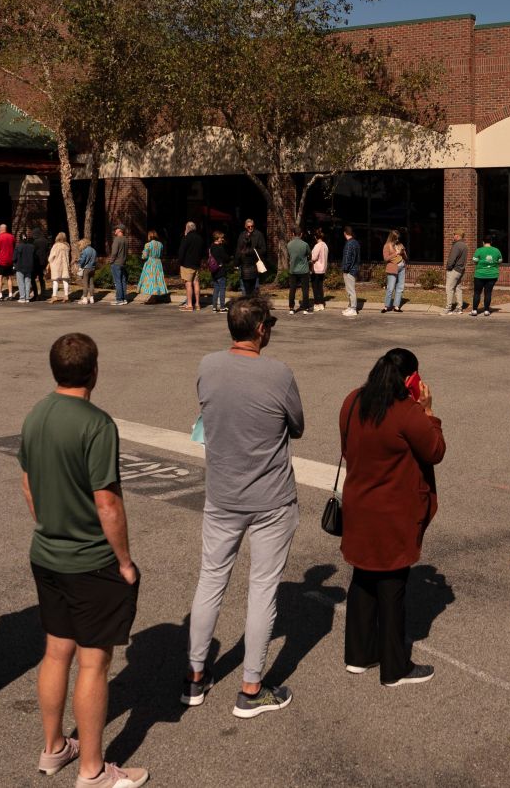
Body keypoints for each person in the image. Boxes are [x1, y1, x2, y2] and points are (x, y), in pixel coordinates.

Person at [18, 334, 146, 788]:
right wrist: (125, 562)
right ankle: (92, 770)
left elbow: (29, 484)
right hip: (90, 561)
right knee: (93, 663)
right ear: (94, 370)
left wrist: (49, 521)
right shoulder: (97, 424)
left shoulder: (36, 414)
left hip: (47, 553)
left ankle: (54, 748)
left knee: (57, 650)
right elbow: (107, 502)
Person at [184, 297, 302, 718]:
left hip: (222, 493)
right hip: (270, 496)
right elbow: (297, 426)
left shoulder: (207, 366)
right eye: (268, 324)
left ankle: (196, 676)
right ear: (259, 330)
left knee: (211, 580)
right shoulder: (278, 373)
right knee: (262, 588)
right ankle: (251, 687)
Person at [338, 348, 446, 686]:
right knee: (392, 584)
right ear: (411, 379)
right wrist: (428, 411)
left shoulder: (353, 401)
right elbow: (435, 451)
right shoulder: (407, 412)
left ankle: (359, 654)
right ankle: (394, 667)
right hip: (393, 511)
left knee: (363, 578)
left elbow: (346, 447)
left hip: (358, 504)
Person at [470, 235, 502, 316]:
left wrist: (482, 263)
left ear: (483, 242)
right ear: (491, 242)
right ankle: (487, 310)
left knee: (477, 292)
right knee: (488, 293)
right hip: (492, 275)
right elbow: (500, 261)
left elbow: (475, 260)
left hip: (480, 274)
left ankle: (474, 310)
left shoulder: (479, 250)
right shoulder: (496, 250)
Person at [235, 219, 268, 298]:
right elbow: (238, 250)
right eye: (248, 226)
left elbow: (263, 249)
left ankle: (254, 304)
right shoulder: (242, 235)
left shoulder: (258, 235)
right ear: (245, 226)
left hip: (255, 264)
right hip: (243, 264)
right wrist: (236, 263)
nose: (250, 228)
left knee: (255, 288)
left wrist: (252, 251)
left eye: (252, 226)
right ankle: (246, 305)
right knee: (244, 288)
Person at [177, 221, 205, 313]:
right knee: (196, 283)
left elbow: (181, 251)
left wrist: (180, 262)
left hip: (187, 264)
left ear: (187, 228)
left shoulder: (186, 238)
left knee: (188, 284)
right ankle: (197, 304)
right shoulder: (200, 238)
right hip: (196, 264)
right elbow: (202, 252)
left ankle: (189, 305)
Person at [381, 229, 408, 313]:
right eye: (396, 238)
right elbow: (385, 258)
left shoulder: (399, 244)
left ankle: (396, 306)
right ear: (392, 238)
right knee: (390, 288)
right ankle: (386, 306)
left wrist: (403, 252)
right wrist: (396, 253)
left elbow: (406, 258)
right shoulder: (387, 245)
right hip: (392, 268)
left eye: (398, 238)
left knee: (400, 287)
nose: (397, 240)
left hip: (402, 268)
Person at [136, 230, 166, 303]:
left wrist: (143, 254)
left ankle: (152, 297)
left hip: (150, 263)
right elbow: (162, 255)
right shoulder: (160, 244)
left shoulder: (148, 244)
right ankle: (154, 297)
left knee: (150, 280)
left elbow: (144, 256)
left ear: (150, 236)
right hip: (158, 263)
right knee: (157, 279)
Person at [285, 229, 311, 314]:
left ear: (293, 234)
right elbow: (309, 255)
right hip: (304, 270)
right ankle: (305, 308)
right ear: (301, 234)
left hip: (293, 270)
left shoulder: (289, 244)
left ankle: (291, 308)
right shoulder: (305, 244)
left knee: (292, 289)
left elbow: (289, 256)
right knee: (305, 289)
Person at [444, 231, 468, 314]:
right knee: (458, 288)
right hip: (461, 270)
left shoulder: (456, 245)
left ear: (457, 236)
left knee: (449, 288)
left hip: (454, 270)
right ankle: (459, 307)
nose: (453, 237)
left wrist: (448, 267)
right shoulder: (465, 245)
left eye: (454, 235)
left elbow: (452, 259)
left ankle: (448, 308)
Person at [340, 227, 361, 317]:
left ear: (345, 233)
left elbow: (347, 258)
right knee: (350, 290)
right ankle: (350, 306)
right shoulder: (356, 242)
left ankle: (353, 308)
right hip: (354, 268)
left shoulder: (349, 244)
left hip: (349, 270)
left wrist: (345, 269)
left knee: (350, 290)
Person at [208, 231, 231, 313]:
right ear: (217, 238)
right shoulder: (220, 248)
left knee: (216, 289)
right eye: (221, 238)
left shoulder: (211, 247)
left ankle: (214, 307)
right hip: (221, 271)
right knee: (222, 289)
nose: (222, 239)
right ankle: (222, 307)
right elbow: (226, 258)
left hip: (214, 271)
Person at [0, 224, 17, 302]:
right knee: (9, 278)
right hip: (10, 260)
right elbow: (14, 247)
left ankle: (0, 295)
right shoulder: (12, 237)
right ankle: (10, 294)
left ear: (0, 229)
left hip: (1, 260)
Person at [107, 225, 129, 306]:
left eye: (116, 229)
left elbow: (114, 252)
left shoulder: (117, 239)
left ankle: (119, 299)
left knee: (117, 281)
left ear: (120, 230)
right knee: (123, 281)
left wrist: (111, 261)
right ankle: (124, 299)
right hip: (123, 263)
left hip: (116, 263)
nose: (114, 231)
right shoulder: (126, 240)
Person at [14, 231, 38, 304]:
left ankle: (22, 297)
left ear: (20, 238)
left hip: (20, 266)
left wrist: (14, 264)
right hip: (29, 266)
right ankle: (27, 298)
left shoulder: (18, 247)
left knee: (21, 283)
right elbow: (35, 257)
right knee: (27, 282)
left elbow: (14, 257)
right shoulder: (31, 247)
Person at [48, 233, 72, 303]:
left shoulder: (56, 246)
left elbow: (51, 256)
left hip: (56, 265)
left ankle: (54, 296)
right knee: (65, 280)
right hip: (65, 264)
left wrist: (49, 261)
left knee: (55, 280)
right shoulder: (67, 246)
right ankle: (66, 296)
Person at [309, 228, 329, 312]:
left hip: (316, 269)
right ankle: (321, 304)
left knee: (315, 287)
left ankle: (316, 304)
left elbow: (313, 257)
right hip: (323, 268)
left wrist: (309, 258)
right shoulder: (325, 245)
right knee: (320, 287)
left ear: (315, 237)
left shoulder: (317, 245)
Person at [76, 238, 97, 305]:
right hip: (93, 268)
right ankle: (92, 298)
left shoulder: (85, 251)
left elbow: (83, 261)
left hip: (86, 268)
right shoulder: (94, 250)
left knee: (85, 284)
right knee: (91, 283)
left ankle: (85, 299)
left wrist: (79, 263)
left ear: (84, 244)